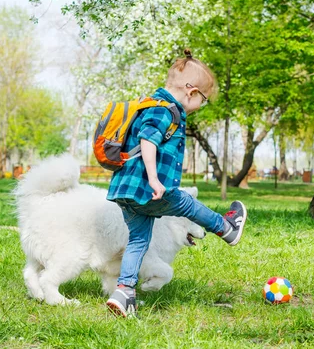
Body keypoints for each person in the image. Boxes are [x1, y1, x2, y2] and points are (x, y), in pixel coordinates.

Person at [105, 49, 248, 317]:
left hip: (125, 191)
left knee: (138, 240)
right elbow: (148, 141)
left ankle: (124, 292)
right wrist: (154, 178)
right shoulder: (166, 111)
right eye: (203, 100)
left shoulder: (148, 105)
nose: (200, 106)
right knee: (186, 203)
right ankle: (226, 228)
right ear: (191, 91)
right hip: (149, 188)